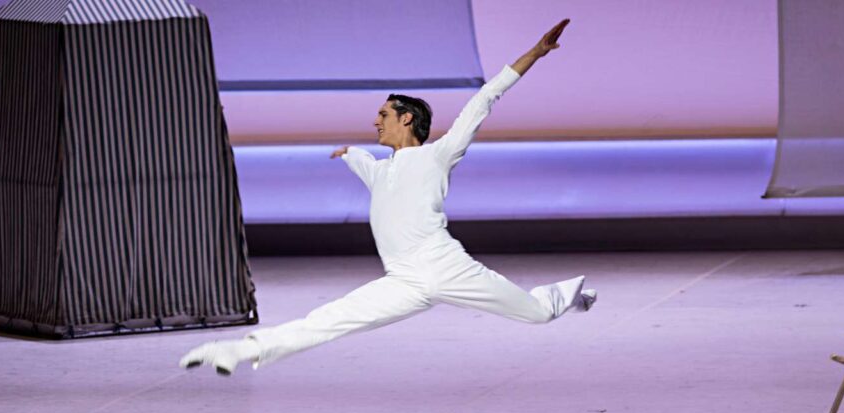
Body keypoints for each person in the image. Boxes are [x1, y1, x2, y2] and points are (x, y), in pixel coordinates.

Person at [180, 19, 594, 375]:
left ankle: (572, 291)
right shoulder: (377, 169)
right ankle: (241, 350)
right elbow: (361, 159)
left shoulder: (438, 154)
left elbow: (484, 99)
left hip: (444, 266)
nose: (376, 121)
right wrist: (348, 153)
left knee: (538, 313)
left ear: (407, 118)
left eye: (383, 115)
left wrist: (535, 53)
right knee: (330, 318)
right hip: (403, 280)